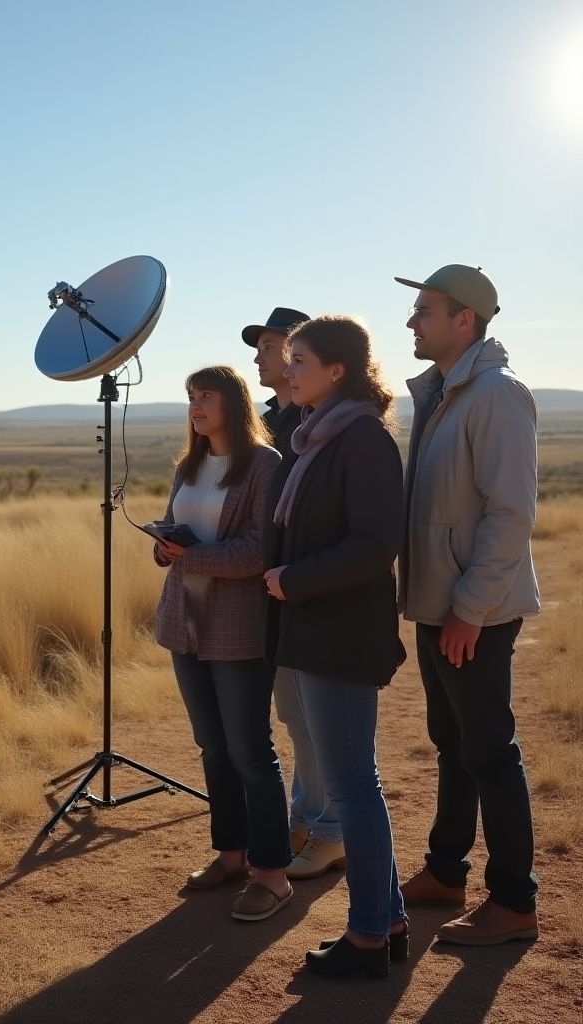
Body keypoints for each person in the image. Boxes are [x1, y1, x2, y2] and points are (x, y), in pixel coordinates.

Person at [394, 265, 540, 946]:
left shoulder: (496, 396)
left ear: (465, 321)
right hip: (438, 604)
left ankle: (513, 902)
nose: (411, 323)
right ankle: (446, 872)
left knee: (489, 751)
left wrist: (470, 609)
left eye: (424, 311)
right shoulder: (444, 394)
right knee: (454, 744)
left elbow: (510, 516)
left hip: (472, 612)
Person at [263, 315, 407, 978]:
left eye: (299, 359)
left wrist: (293, 579)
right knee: (355, 784)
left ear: (337, 370)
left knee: (353, 790)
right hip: (320, 630)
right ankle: (390, 921)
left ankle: (367, 940)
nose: (287, 369)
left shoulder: (362, 441)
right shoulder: (319, 436)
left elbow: (376, 544)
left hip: (342, 633)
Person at [153, 365, 293, 922]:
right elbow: (171, 523)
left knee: (250, 752)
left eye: (206, 395)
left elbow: (262, 547)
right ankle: (230, 856)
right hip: (183, 622)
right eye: (190, 396)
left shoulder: (264, 464)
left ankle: (272, 873)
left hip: (236, 626)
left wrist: (195, 556)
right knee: (212, 747)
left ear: (233, 403)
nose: (195, 405)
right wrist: (164, 548)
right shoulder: (188, 465)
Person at [243, 306, 346, 879]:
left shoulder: (320, 424)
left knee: (313, 717)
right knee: (295, 715)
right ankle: (306, 818)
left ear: (297, 353)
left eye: (268, 346)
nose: (257, 356)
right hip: (276, 589)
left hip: (304, 588)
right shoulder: (268, 421)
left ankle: (329, 829)